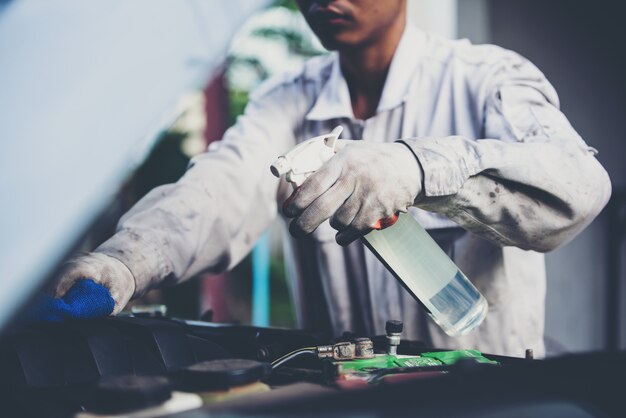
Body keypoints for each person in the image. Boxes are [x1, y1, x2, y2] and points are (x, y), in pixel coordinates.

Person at [54, 0, 611, 357]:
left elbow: (579, 185)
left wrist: (418, 168)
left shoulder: (487, 79)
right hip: (350, 398)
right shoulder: (287, 100)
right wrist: (128, 259)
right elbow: (219, 190)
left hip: (487, 398)